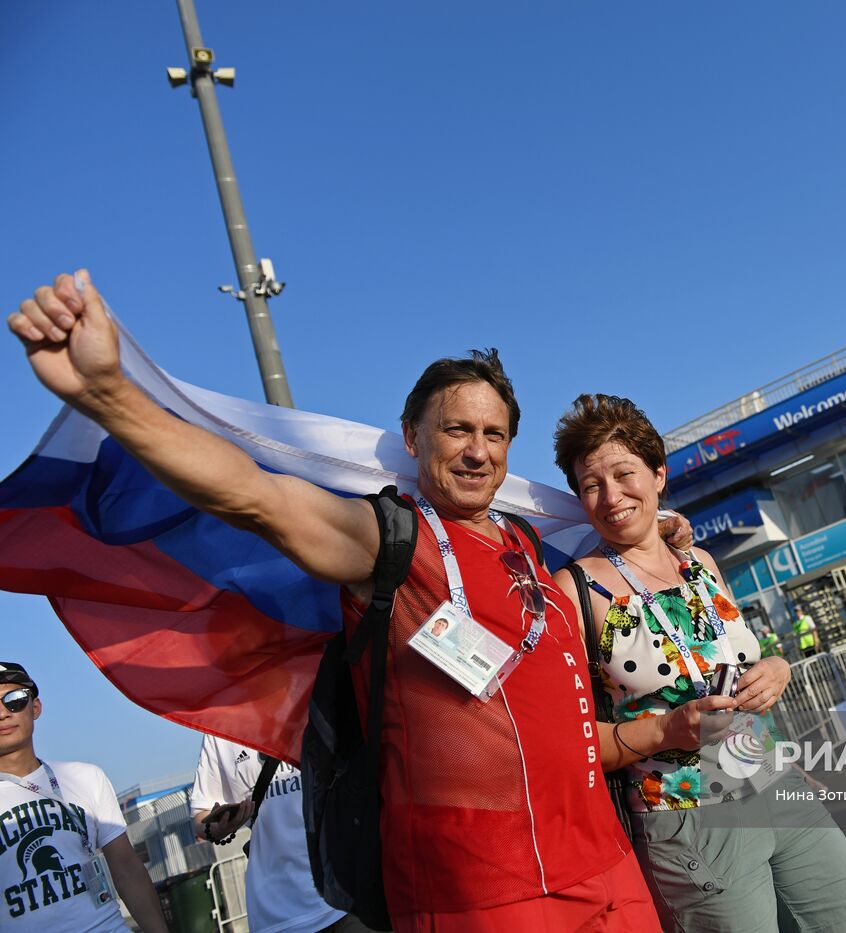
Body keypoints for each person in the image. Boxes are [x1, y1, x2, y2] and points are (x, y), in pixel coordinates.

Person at [9, 271, 666, 930]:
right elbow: (251, 493)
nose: (476, 450)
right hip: (480, 895)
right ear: (412, 437)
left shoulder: (531, 545)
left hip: (608, 873)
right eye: (457, 429)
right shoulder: (391, 539)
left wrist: (655, 538)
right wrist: (109, 394)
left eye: (494, 434)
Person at [551, 394, 846, 933]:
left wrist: (778, 668)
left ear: (659, 475)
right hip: (689, 818)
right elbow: (564, 737)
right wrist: (666, 727)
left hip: (776, 782)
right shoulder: (573, 592)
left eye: (625, 474)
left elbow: (737, 662)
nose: (612, 496)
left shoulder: (700, 563)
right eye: (592, 485)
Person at [0, 662, 169, 933]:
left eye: (15, 700)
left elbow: (125, 867)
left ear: (36, 708)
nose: (2, 713)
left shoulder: (86, 778)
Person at [192, 735, 364, 932]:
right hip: (279, 913)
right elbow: (199, 815)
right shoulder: (219, 727)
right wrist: (218, 828)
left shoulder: (313, 703)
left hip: (349, 893)